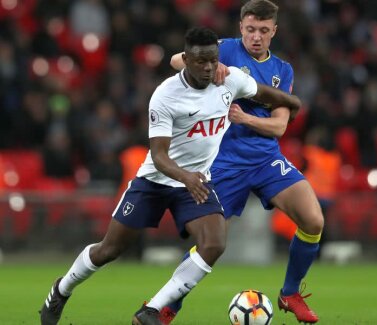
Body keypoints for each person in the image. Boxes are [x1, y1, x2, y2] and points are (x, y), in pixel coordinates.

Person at [40, 26, 301, 325]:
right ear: (186, 60)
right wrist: (187, 177)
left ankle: (152, 309)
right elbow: (159, 156)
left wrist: (294, 104)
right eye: (201, 61)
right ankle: (62, 289)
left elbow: (267, 94)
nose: (208, 68)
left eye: (213, 60)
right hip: (156, 181)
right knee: (109, 249)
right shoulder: (166, 96)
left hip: (194, 184)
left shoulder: (230, 80)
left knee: (214, 243)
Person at [170, 1, 323, 323]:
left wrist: (243, 118)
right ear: (241, 27)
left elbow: (280, 126)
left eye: (264, 31)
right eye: (251, 29)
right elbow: (174, 60)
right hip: (223, 162)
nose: (256, 37)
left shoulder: (283, 70)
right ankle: (169, 305)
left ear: (274, 32)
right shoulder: (223, 50)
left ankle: (290, 293)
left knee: (313, 221)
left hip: (266, 159)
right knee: (210, 243)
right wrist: (209, 67)